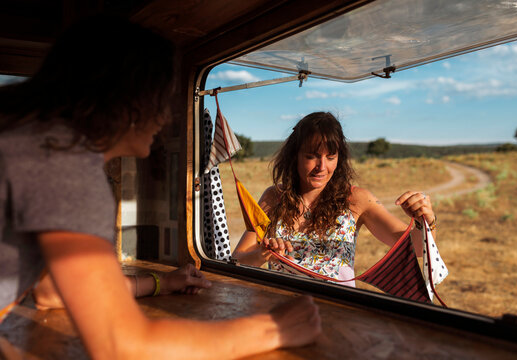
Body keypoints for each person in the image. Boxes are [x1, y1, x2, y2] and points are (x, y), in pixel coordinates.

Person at [0, 15, 321, 359]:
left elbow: (50, 292)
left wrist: (160, 283)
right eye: (161, 98)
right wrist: (272, 329)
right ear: (127, 98)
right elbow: (120, 345)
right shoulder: (63, 161)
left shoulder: (30, 137)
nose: (166, 116)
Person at [233, 112, 436, 287]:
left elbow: (417, 248)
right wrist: (262, 254)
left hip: (336, 310)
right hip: (282, 311)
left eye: (330, 157)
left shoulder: (356, 200)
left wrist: (426, 221)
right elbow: (238, 260)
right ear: (295, 156)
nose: (322, 167)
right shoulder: (273, 198)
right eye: (312, 156)